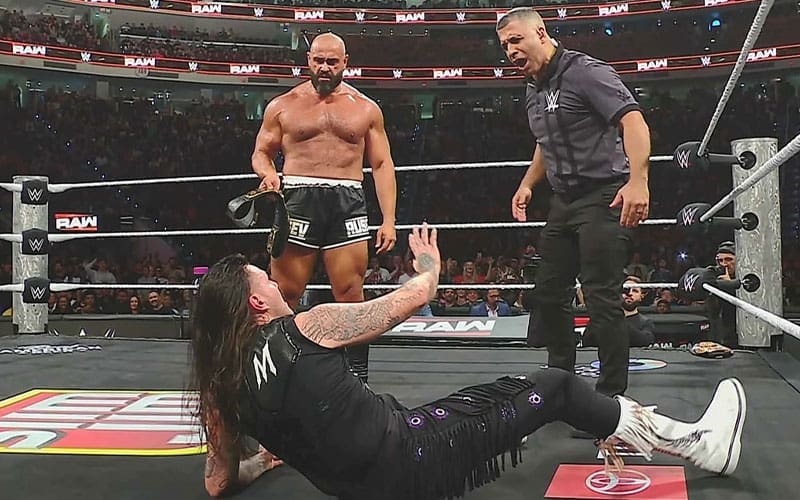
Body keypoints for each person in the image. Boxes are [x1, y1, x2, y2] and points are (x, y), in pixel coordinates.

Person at [190, 224, 746, 500]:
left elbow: (217, 481)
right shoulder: (308, 327)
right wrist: (428, 264)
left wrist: (260, 462)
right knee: (554, 385)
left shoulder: (220, 388)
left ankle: (647, 431)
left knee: (433, 404)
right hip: (412, 460)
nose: (279, 284)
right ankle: (694, 444)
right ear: (257, 303)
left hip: (354, 486)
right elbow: (412, 298)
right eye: (267, 282)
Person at [496, 8, 651, 399]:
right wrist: (527, 183)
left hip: (604, 195)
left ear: (541, 33)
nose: (510, 51)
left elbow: (632, 120)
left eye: (516, 40)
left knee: (601, 297)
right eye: (505, 45)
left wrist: (638, 180)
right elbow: (545, 142)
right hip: (564, 201)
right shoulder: (532, 87)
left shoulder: (585, 72)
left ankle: (610, 398)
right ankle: (560, 382)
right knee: (548, 293)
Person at [250, 32, 397, 382]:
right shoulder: (283, 105)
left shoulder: (365, 108)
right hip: (298, 197)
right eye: (319, 60)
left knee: (351, 294)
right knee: (284, 293)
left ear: (345, 62)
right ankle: (276, 377)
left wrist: (389, 219)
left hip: (348, 198)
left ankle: (356, 380)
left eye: (332, 61)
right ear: (309, 61)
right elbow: (261, 152)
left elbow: (381, 164)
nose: (325, 68)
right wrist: (268, 174)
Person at [583, 276, 655, 348]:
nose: (630, 293)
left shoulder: (645, 322)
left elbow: (647, 341)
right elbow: (587, 340)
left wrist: (620, 320)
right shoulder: (605, 318)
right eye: (626, 290)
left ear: (641, 296)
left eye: (635, 291)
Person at [706, 241, 738, 347]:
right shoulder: (714, 277)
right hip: (721, 332)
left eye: (729, 259)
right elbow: (712, 311)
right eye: (720, 260)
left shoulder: (748, 278)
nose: (724, 264)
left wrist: (730, 286)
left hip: (742, 331)